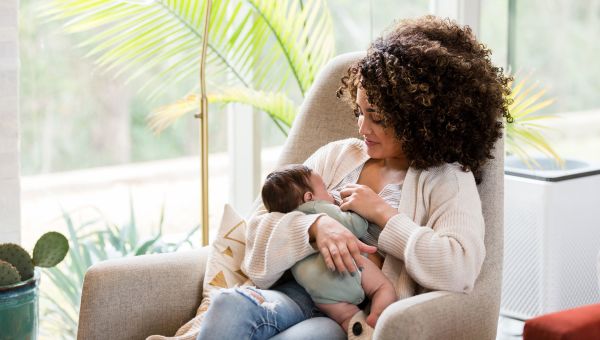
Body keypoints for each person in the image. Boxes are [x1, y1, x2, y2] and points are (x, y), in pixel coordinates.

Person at [197, 15, 511, 340]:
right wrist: (315, 227)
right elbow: (258, 229)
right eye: (360, 111)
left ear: (418, 117)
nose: (362, 128)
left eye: (376, 117)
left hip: (349, 317)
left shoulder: (447, 180)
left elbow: (459, 268)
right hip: (293, 290)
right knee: (229, 305)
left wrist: (383, 215)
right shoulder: (338, 156)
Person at [260, 164, 397, 332]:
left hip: (316, 289)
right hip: (347, 269)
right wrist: (357, 210)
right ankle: (378, 316)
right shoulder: (319, 208)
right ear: (309, 196)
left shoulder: (285, 220)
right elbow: (357, 226)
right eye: (325, 188)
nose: (331, 193)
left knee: (347, 317)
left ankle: (359, 330)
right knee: (383, 288)